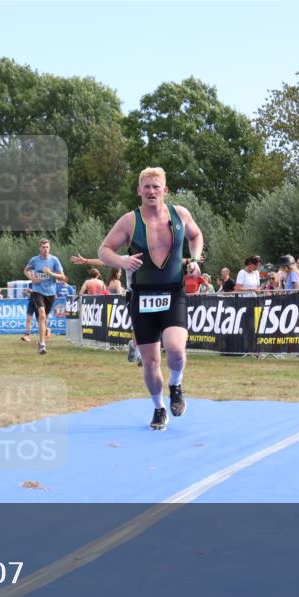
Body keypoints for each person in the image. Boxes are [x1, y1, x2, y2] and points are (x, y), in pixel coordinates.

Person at [98, 167, 203, 431]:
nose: (151, 191)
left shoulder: (180, 214)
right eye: (146, 186)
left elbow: (196, 235)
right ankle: (159, 408)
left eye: (156, 187)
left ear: (165, 190)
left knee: (176, 349)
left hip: (173, 291)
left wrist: (195, 259)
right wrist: (121, 261)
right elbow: (104, 250)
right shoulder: (129, 221)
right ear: (139, 190)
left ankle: (176, 384)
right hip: (142, 296)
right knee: (151, 361)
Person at [25, 238, 65, 355]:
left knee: (45, 319)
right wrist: (32, 278)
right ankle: (42, 344)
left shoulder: (54, 260)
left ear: (49, 248)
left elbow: (62, 277)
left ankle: (40, 341)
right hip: (37, 291)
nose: (45, 249)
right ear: (40, 248)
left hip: (51, 293)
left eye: (47, 247)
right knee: (41, 314)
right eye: (43, 247)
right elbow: (26, 270)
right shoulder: (35, 260)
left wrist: (50, 273)